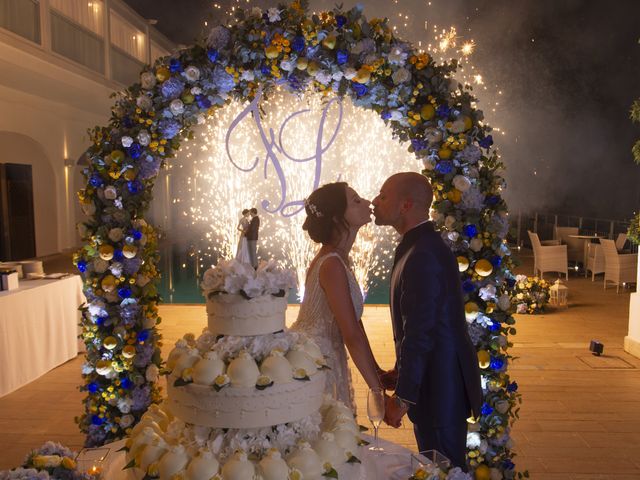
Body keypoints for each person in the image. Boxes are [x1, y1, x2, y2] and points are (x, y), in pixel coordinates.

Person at [371, 172, 483, 470]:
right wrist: (401, 370)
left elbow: (421, 331)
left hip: (440, 388)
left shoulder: (422, 252)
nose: (375, 201)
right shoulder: (418, 244)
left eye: (383, 196)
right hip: (435, 384)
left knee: (446, 471)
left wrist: (404, 397)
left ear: (406, 205)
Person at [290, 182, 384, 411]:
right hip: (315, 362)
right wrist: (379, 397)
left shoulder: (338, 259)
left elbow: (355, 325)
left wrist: (378, 374)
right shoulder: (331, 264)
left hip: (327, 355)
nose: (368, 203)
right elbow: (350, 334)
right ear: (336, 217)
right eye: (356, 200)